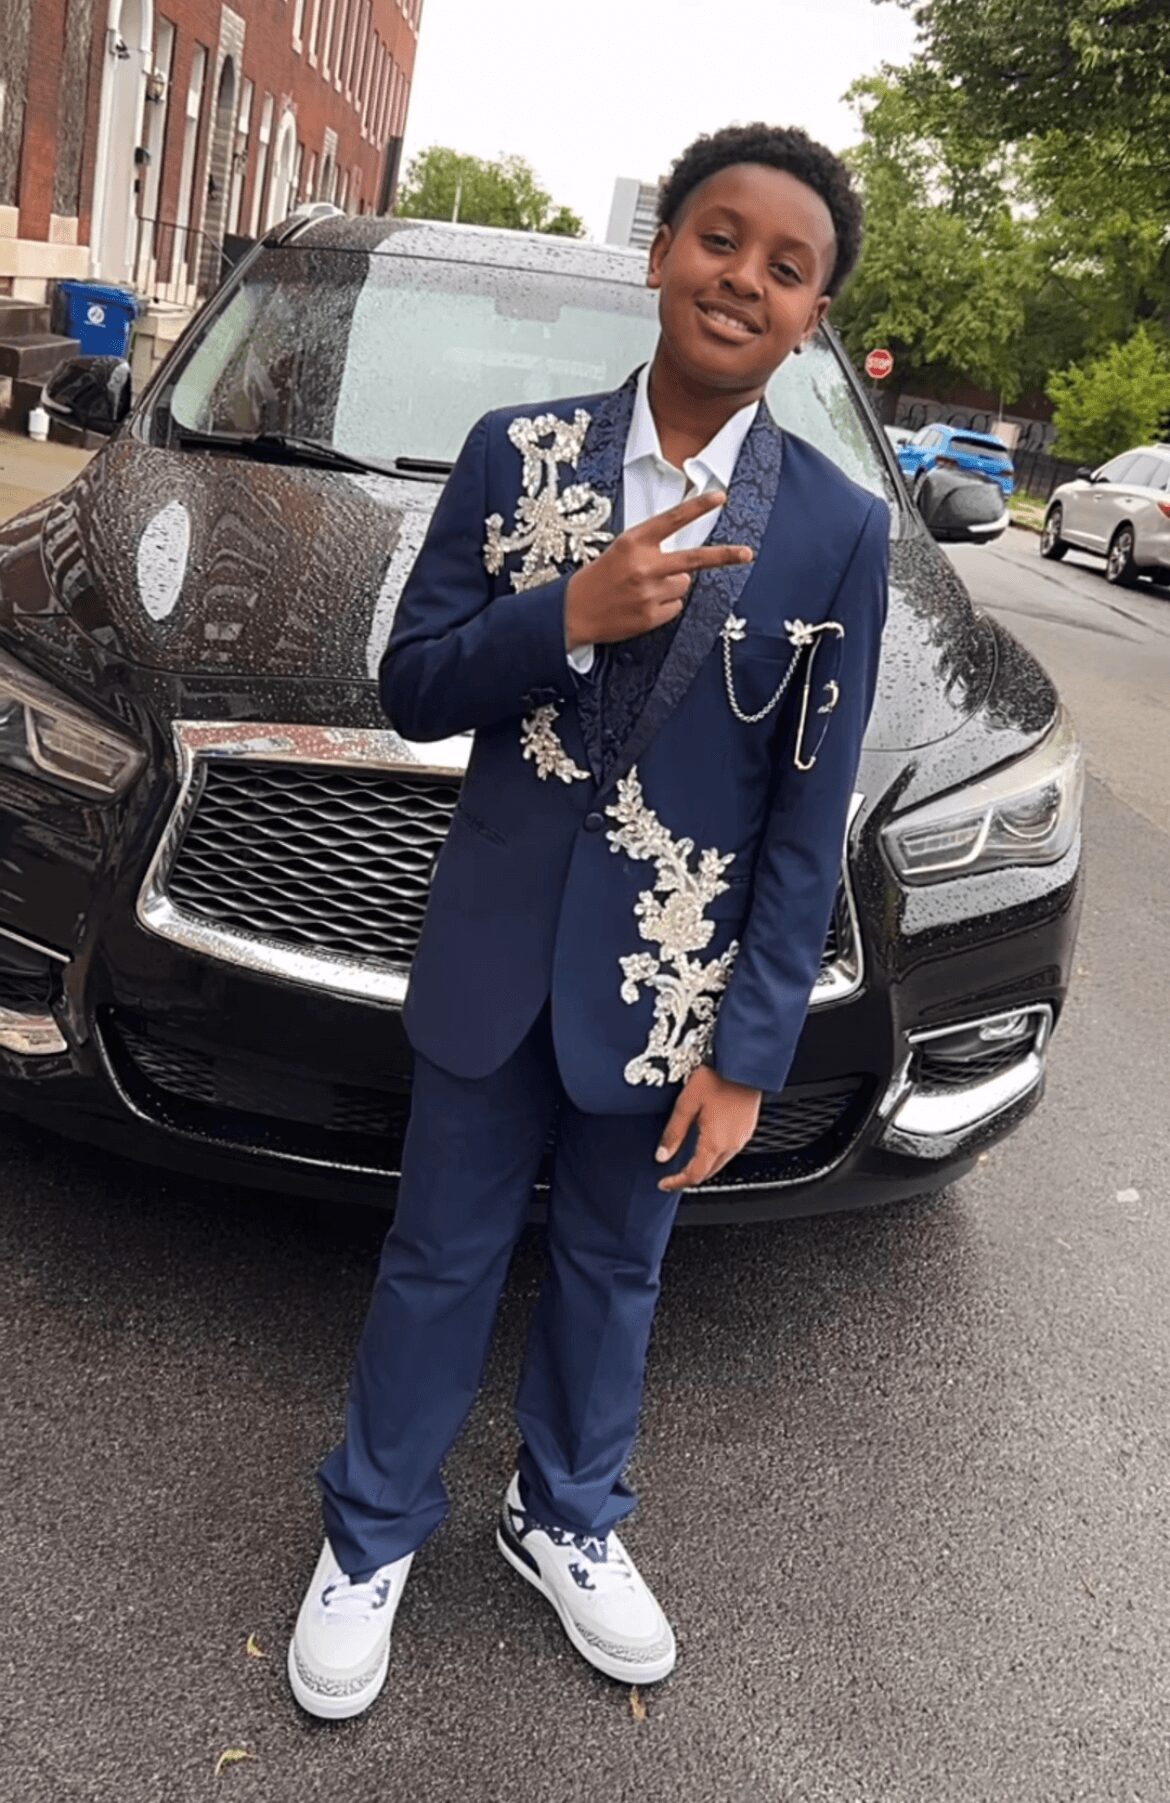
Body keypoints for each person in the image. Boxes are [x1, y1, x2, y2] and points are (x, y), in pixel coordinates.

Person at [288, 122, 889, 1719]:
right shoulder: (514, 453)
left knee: (618, 1268)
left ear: (812, 317)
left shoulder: (838, 530)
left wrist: (750, 1050)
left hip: (670, 985)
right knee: (438, 1254)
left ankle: (563, 1514)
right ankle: (370, 1528)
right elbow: (413, 688)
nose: (742, 278)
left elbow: (803, 812)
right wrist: (564, 614)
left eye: (785, 268)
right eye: (718, 238)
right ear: (660, 250)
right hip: (492, 956)